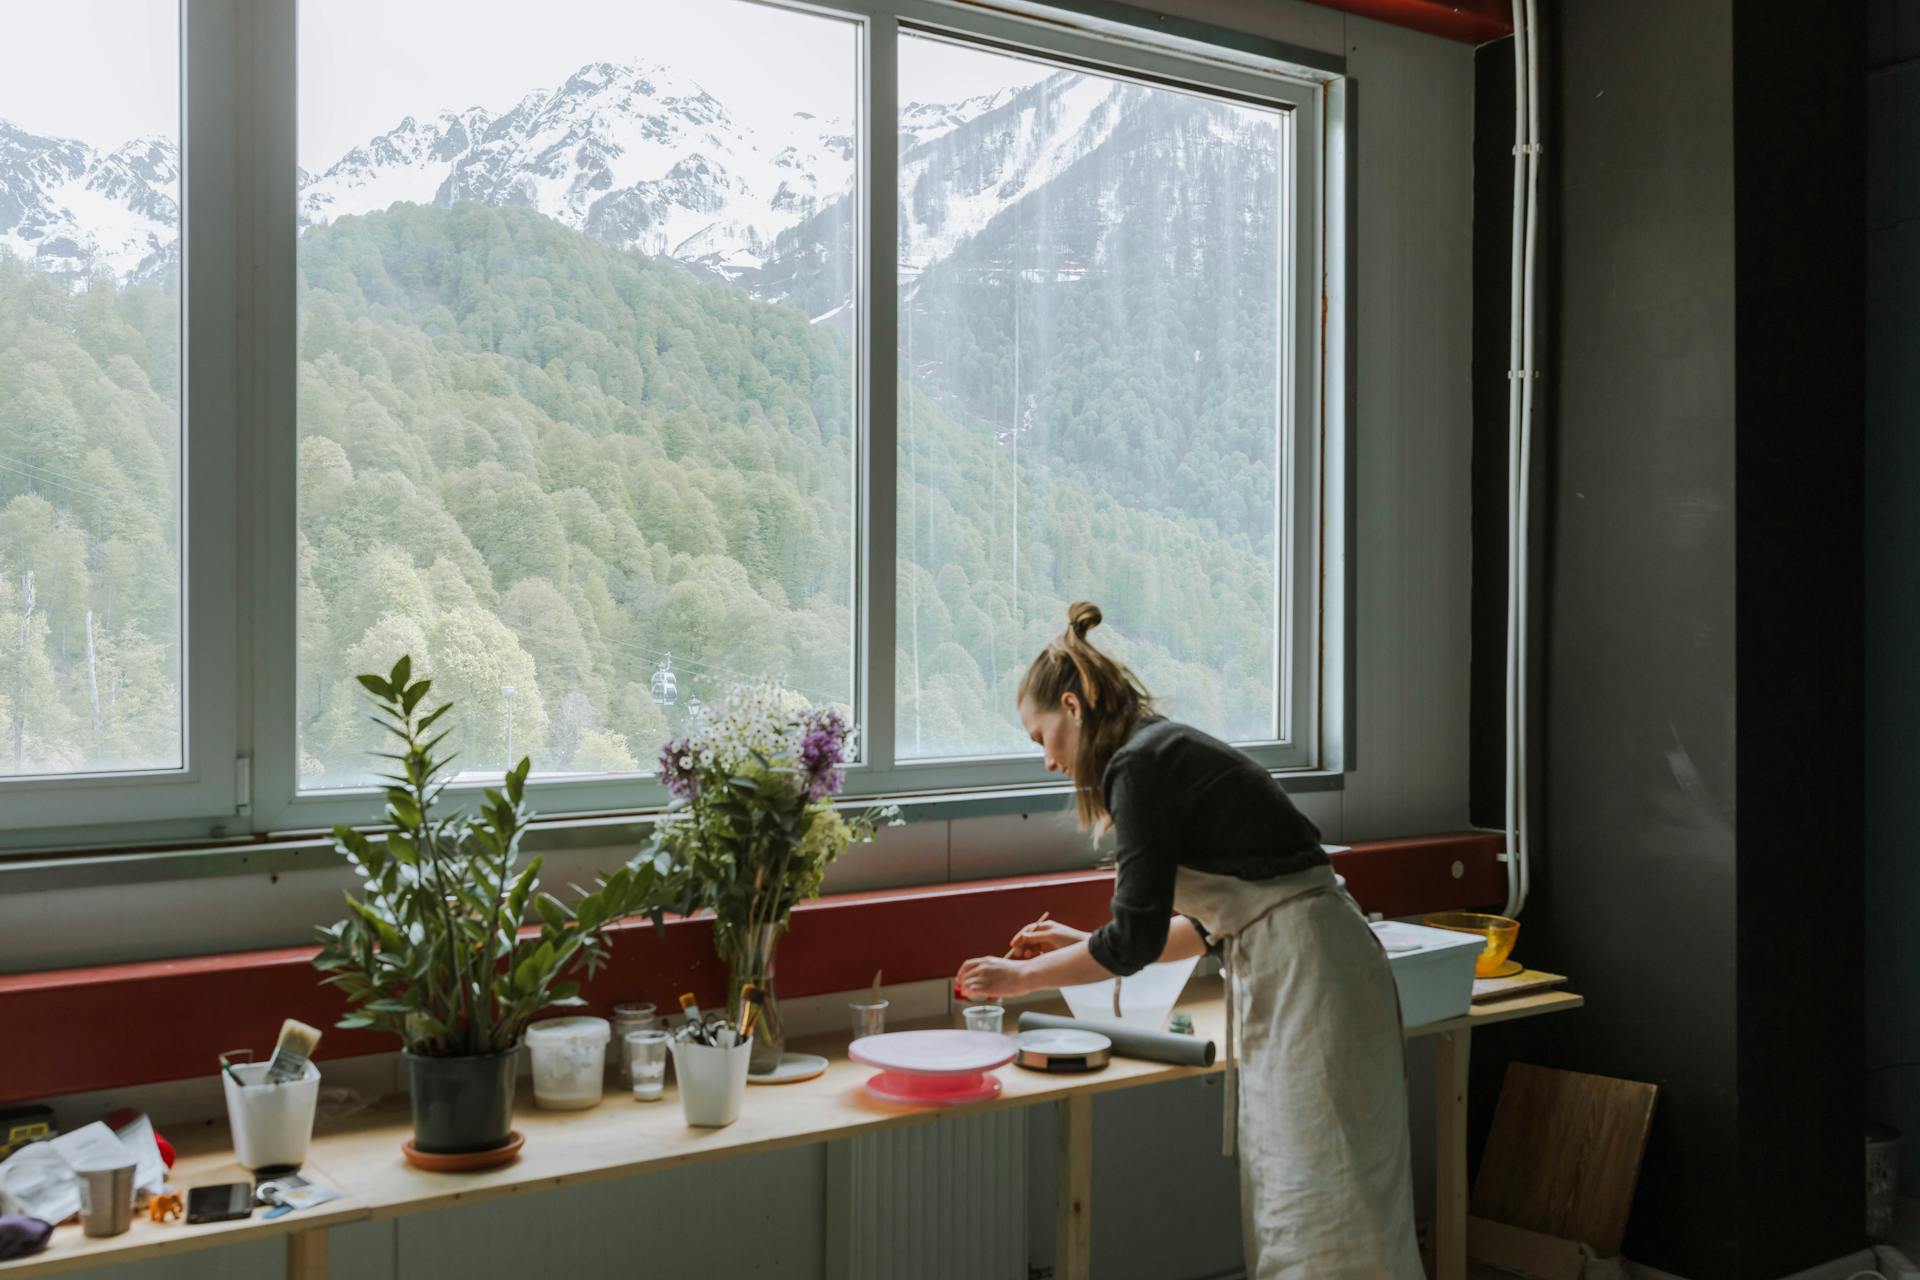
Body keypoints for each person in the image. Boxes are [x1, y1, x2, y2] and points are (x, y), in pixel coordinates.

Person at [955, 602, 1422, 1279]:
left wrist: (1019, 978)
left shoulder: (1138, 766)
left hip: (1311, 974)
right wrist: (1083, 941)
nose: (1049, 761)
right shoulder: (1155, 750)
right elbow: (1204, 927)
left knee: (1329, 1205)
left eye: (1042, 737)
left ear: (1073, 705)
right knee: (1302, 1197)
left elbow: (1132, 944)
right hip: (1302, 964)